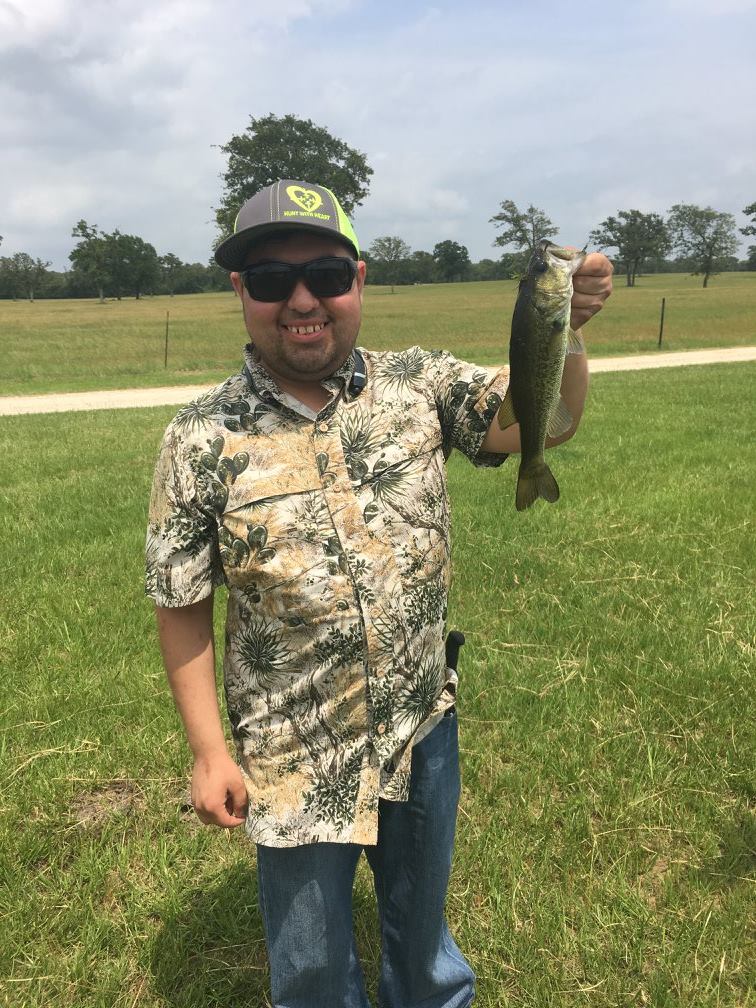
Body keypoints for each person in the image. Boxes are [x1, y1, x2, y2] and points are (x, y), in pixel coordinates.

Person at [146, 179, 612, 1008]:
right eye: (269, 280)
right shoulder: (197, 440)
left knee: (423, 949)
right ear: (239, 293)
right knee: (315, 975)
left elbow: (541, 424)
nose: (301, 300)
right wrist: (210, 751)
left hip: (419, 728)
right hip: (291, 756)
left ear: (359, 280)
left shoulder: (420, 384)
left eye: (325, 274)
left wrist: (565, 333)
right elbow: (179, 600)